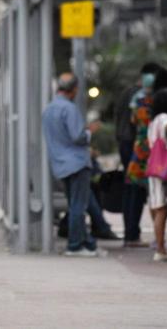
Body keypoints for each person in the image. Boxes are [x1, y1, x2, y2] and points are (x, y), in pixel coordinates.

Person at [42, 73, 102, 257]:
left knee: (73, 203)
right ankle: (75, 245)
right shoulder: (69, 109)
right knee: (78, 206)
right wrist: (89, 132)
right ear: (74, 89)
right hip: (76, 163)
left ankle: (86, 242)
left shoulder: (49, 109)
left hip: (60, 164)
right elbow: (77, 136)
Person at [122, 63, 162, 247]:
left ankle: (131, 233)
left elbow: (132, 121)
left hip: (138, 148)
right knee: (156, 194)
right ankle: (156, 237)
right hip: (154, 149)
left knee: (134, 192)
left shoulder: (135, 99)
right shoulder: (158, 100)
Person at [146, 88, 167, 262]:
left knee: (160, 211)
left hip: (156, 169)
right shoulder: (165, 119)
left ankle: (160, 249)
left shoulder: (152, 122)